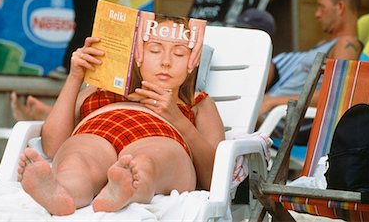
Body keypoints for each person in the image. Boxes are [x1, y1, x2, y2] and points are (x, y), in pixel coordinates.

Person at [17, 15, 225, 215]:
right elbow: (52, 146)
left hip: (160, 137)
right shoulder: (97, 90)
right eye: (154, 50)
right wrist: (75, 77)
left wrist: (178, 119)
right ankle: (62, 192)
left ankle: (129, 187)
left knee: (146, 162)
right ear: (136, 55)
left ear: (193, 62)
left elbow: (215, 176)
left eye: (179, 54)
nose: (166, 62)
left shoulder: (197, 101)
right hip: (95, 133)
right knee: (76, 161)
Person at [258, 0, 363, 139]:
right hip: (271, 112)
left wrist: (272, 101)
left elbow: (335, 95)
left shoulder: (347, 44)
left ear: (340, 7)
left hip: (282, 119)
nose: (317, 14)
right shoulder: (326, 44)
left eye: (321, 7)